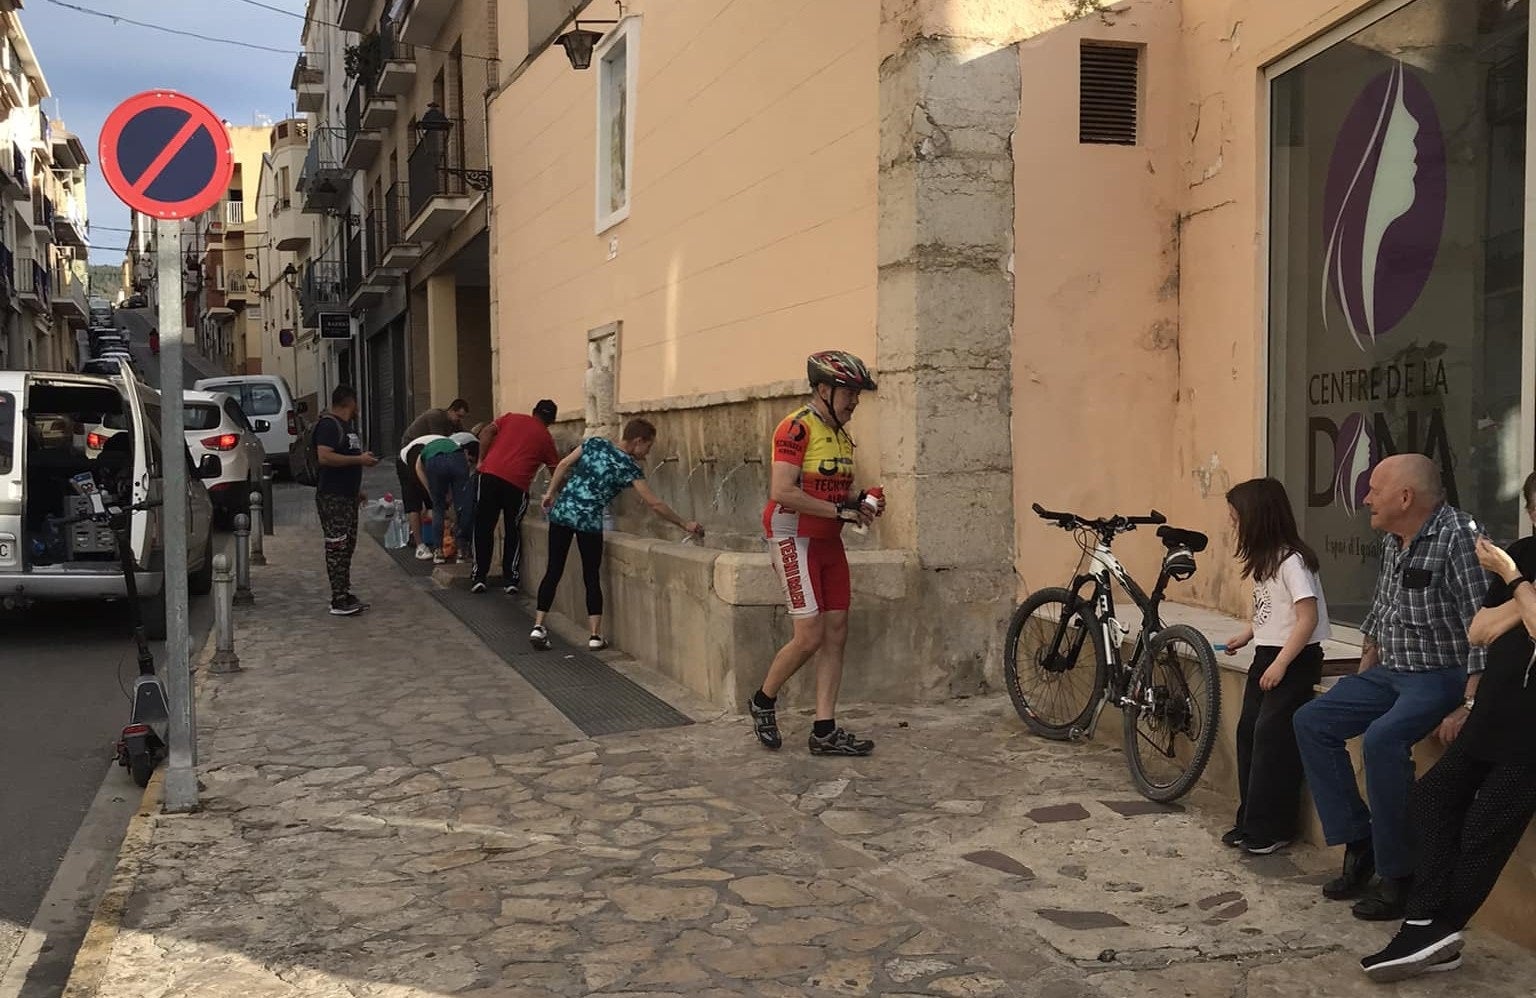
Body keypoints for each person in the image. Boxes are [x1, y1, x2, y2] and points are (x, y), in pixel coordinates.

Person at [1293, 454, 1488, 920]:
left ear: (1405, 497)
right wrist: (1363, 673)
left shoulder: (1458, 538)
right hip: (1390, 672)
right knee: (1313, 720)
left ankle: (1399, 872)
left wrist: (1471, 703)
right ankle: (1360, 842)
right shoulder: (1394, 540)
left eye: (1374, 490)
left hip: (1440, 675)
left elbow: (1483, 625)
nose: (1365, 499)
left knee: (1383, 739)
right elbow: (1380, 613)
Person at [1360, 473, 1536, 982]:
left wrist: (1515, 579)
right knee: (1431, 798)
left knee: (1485, 830)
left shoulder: (1513, 562)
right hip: (1496, 712)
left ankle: (1436, 931)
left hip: (1531, 734)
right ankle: (1425, 919)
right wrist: (1520, 606)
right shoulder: (1525, 550)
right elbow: (1478, 629)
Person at [748, 350, 884, 758]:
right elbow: (783, 491)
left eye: (858, 395)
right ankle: (763, 700)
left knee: (837, 632)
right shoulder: (795, 428)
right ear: (824, 389)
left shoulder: (841, 433)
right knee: (809, 636)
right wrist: (840, 509)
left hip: (828, 539)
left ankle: (824, 730)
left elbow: (834, 489)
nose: (855, 402)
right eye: (849, 394)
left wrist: (861, 500)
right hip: (794, 536)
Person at [1219, 478, 1331, 855]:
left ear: (1258, 517)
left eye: (1237, 517)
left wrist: (1282, 664)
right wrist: (1249, 634)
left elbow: (1307, 617)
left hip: (1294, 659)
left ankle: (1273, 827)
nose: (1233, 524)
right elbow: (1273, 611)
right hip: (1268, 654)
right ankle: (1250, 819)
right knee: (1249, 730)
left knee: (1272, 736)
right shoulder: (1265, 562)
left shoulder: (1292, 562)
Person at [531, 418, 702, 652]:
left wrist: (550, 493)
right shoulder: (629, 467)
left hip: (562, 514)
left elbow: (562, 464)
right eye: (648, 446)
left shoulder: (594, 443)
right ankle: (594, 635)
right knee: (591, 575)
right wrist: (684, 523)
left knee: (554, 569)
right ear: (638, 441)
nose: (648, 453)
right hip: (588, 522)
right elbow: (654, 503)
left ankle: (539, 626)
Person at [472, 399, 560, 595]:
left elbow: (486, 432)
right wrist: (559, 492)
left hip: (489, 476)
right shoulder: (546, 438)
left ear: (533, 411)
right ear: (551, 421)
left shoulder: (510, 418)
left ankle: (479, 576)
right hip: (516, 485)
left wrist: (481, 461)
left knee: (483, 526)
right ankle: (510, 579)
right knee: (512, 528)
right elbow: (557, 471)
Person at [314, 385, 379, 616]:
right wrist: (359, 460)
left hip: (348, 496)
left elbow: (347, 457)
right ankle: (337, 598)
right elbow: (324, 456)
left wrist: (356, 489)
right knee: (337, 545)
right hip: (333, 497)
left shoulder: (346, 427)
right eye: (356, 402)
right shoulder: (329, 425)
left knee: (348, 545)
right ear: (350, 402)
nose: (358, 407)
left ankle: (344, 590)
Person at [398, 399, 470, 560]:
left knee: (439, 504)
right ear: (451, 410)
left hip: (432, 457)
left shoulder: (455, 426)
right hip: (412, 454)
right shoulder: (435, 417)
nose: (459, 420)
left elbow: (462, 438)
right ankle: (420, 543)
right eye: (458, 416)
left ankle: (449, 547)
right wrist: (435, 493)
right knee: (418, 500)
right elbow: (419, 466)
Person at [416, 430, 479, 564]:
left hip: (434, 463)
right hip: (457, 459)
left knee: (438, 508)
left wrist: (432, 494)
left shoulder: (425, 451)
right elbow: (455, 480)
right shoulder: (454, 445)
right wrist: (450, 496)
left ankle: (438, 552)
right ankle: (462, 552)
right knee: (461, 507)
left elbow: (419, 471)